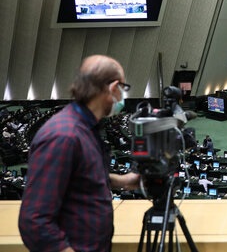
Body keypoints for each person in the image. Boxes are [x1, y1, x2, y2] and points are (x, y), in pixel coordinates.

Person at [18, 55, 140, 252]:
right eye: (123, 88)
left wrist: (124, 181)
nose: (122, 96)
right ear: (113, 87)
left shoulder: (86, 128)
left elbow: (80, 178)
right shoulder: (64, 136)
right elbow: (34, 221)